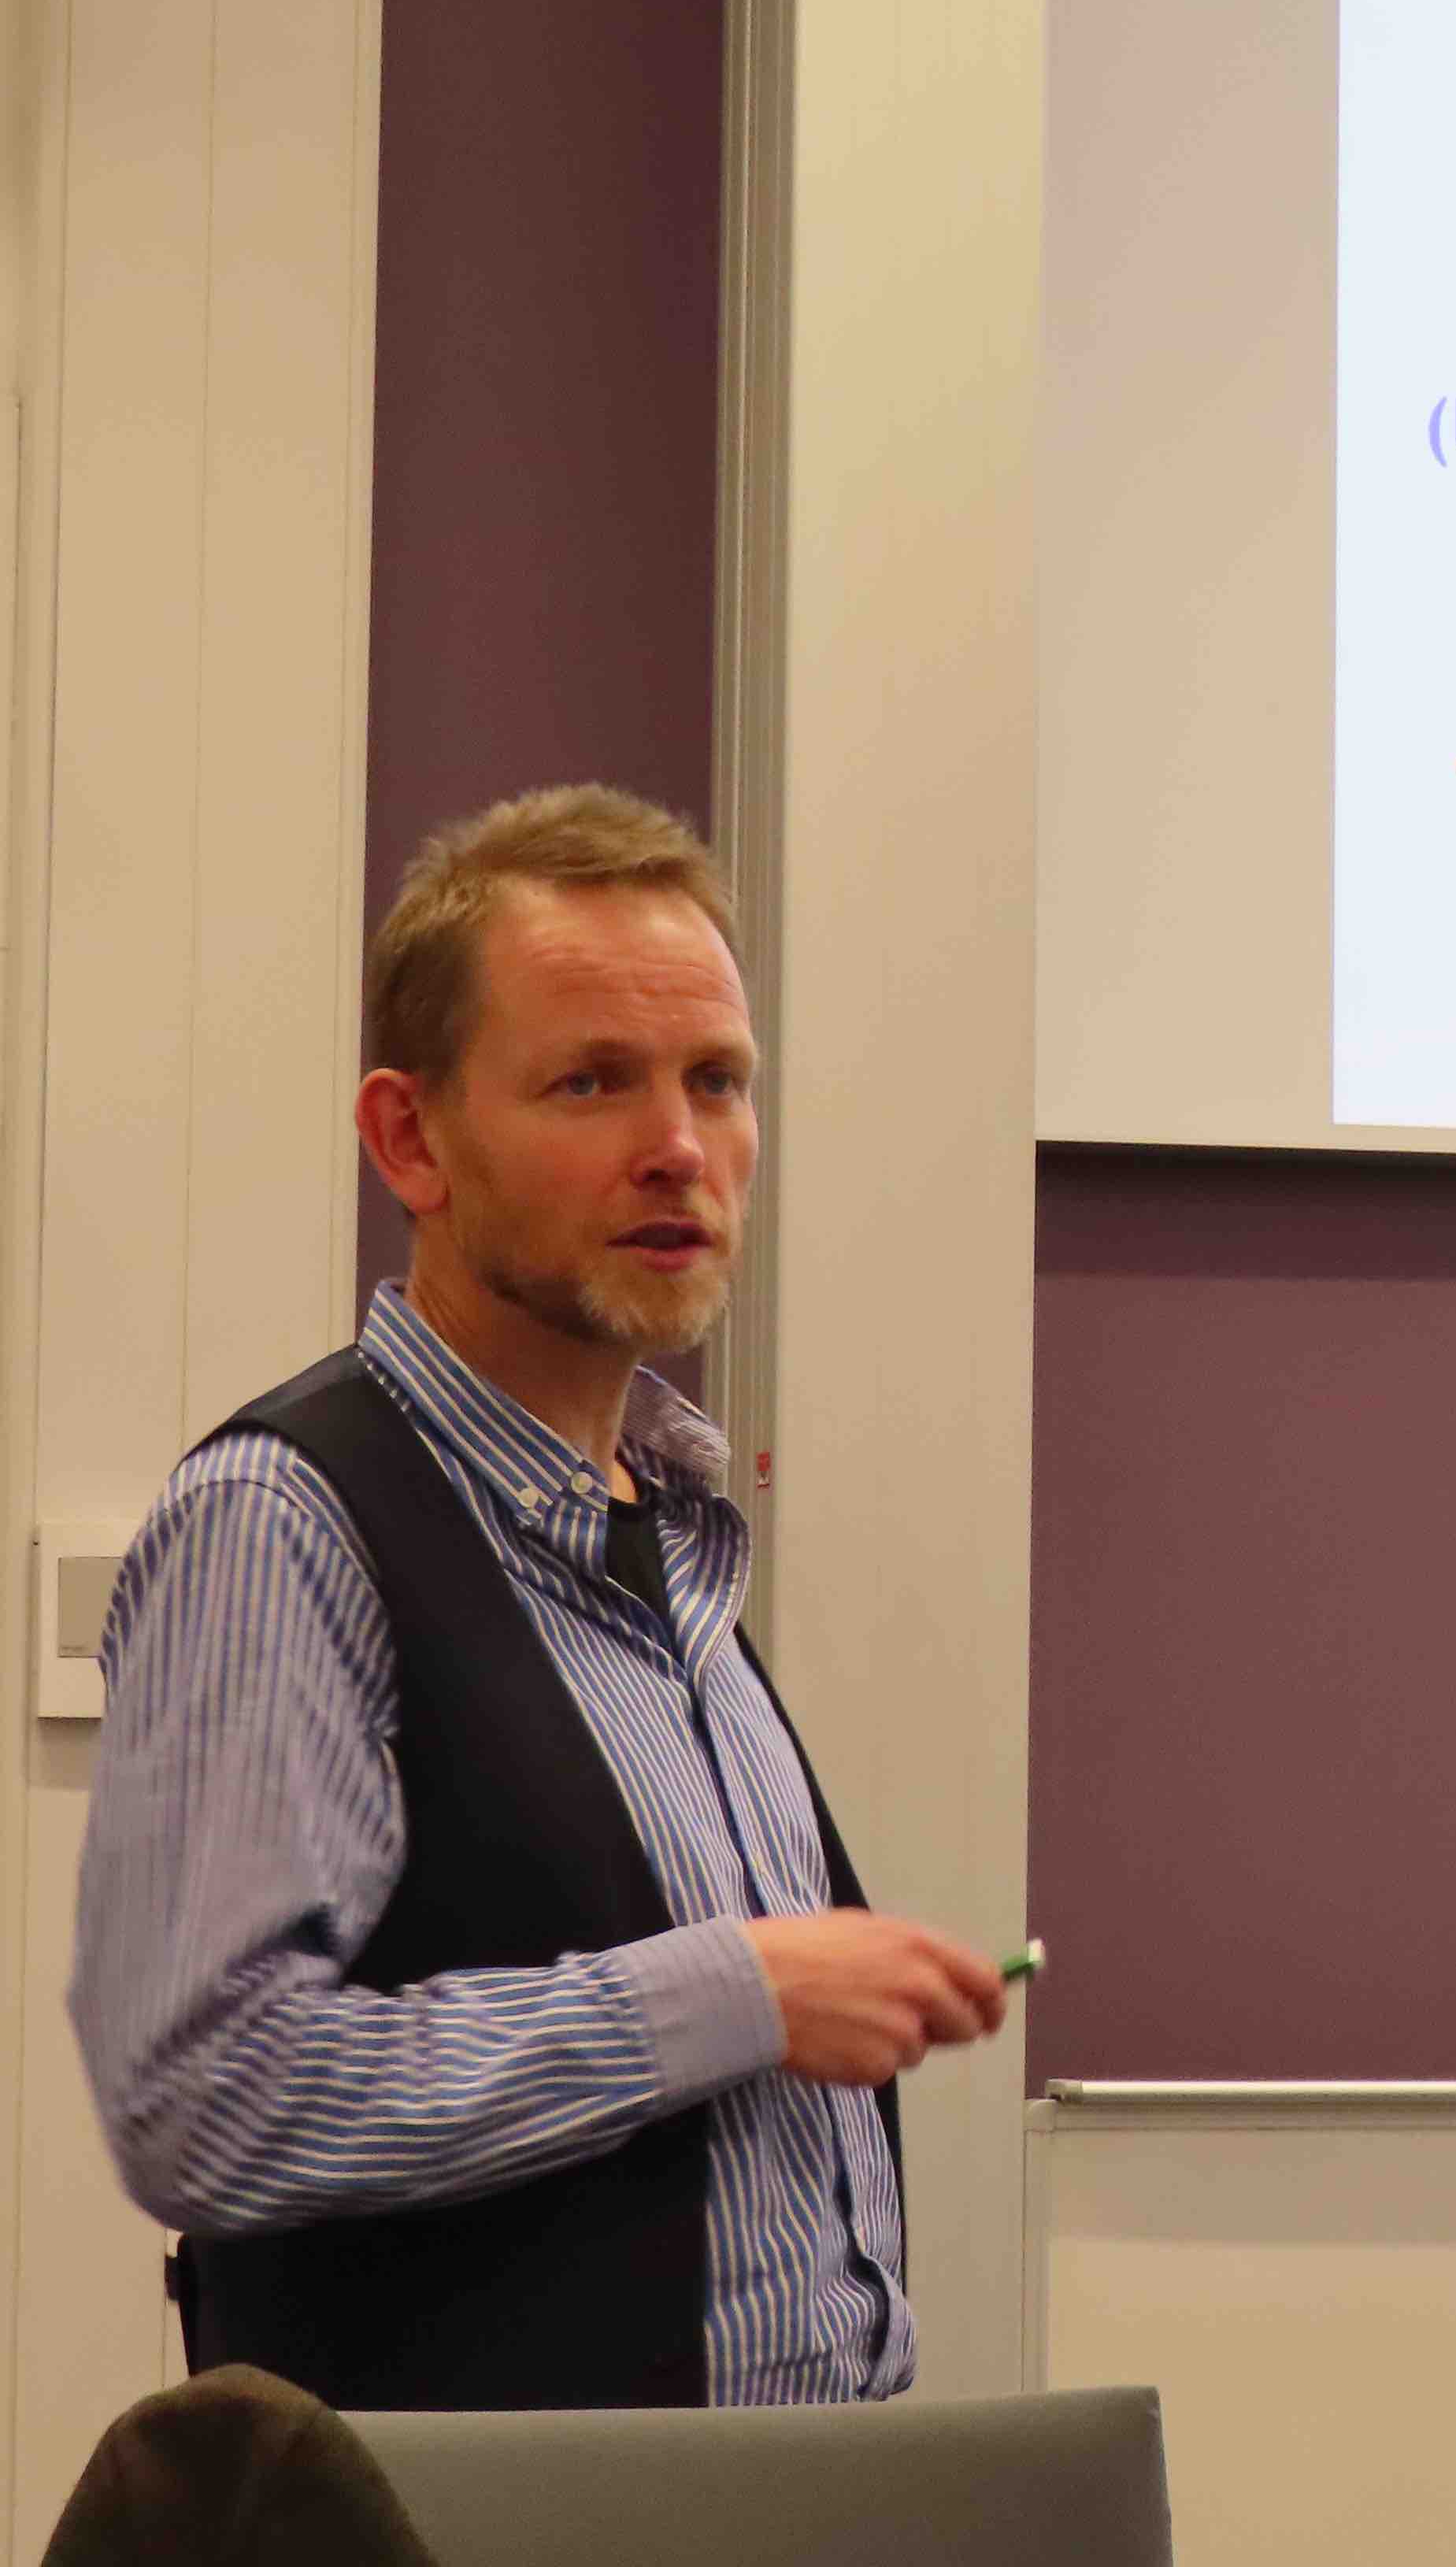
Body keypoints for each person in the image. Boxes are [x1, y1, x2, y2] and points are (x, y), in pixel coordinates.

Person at [69, 786, 1006, 2410]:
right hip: (480, 2517)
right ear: (409, 1140)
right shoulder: (285, 1523)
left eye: (717, 1081)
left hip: (801, 2496)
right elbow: (208, 2100)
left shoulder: (675, 1535)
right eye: (592, 1081)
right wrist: (736, 1993)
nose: (678, 1147)